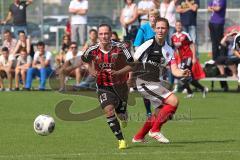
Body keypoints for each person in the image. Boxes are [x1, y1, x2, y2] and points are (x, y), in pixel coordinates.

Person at [132, 17, 190, 143]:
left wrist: (183, 72)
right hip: (143, 81)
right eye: (158, 28)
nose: (160, 30)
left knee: (159, 112)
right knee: (174, 101)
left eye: (163, 28)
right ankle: (155, 130)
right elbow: (133, 61)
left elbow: (175, 70)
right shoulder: (148, 44)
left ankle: (139, 137)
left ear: (168, 30)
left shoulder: (169, 50)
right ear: (154, 29)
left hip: (153, 82)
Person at [81, 24, 134, 149]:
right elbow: (85, 59)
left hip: (120, 86)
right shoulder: (92, 49)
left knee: (121, 114)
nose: (104, 36)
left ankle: (123, 114)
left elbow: (132, 64)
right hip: (103, 86)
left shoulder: (121, 48)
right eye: (101, 34)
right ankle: (121, 140)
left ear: (111, 34)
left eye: (106, 33)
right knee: (109, 110)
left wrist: (119, 73)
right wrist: (91, 69)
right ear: (98, 35)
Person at [133, 9, 160, 117]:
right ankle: (149, 112)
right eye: (151, 16)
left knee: (158, 86)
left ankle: (161, 109)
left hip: (158, 62)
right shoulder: (143, 28)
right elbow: (136, 45)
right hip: (144, 61)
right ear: (148, 17)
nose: (153, 18)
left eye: (155, 16)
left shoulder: (160, 29)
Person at [171, 20, 207, 98]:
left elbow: (192, 45)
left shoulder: (186, 35)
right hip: (181, 59)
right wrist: (177, 60)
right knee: (187, 77)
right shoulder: (173, 36)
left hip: (188, 57)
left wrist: (194, 57)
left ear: (182, 26)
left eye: (180, 25)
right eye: (177, 25)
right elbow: (175, 49)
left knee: (183, 74)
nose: (178, 27)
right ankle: (201, 89)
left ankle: (191, 92)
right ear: (175, 26)